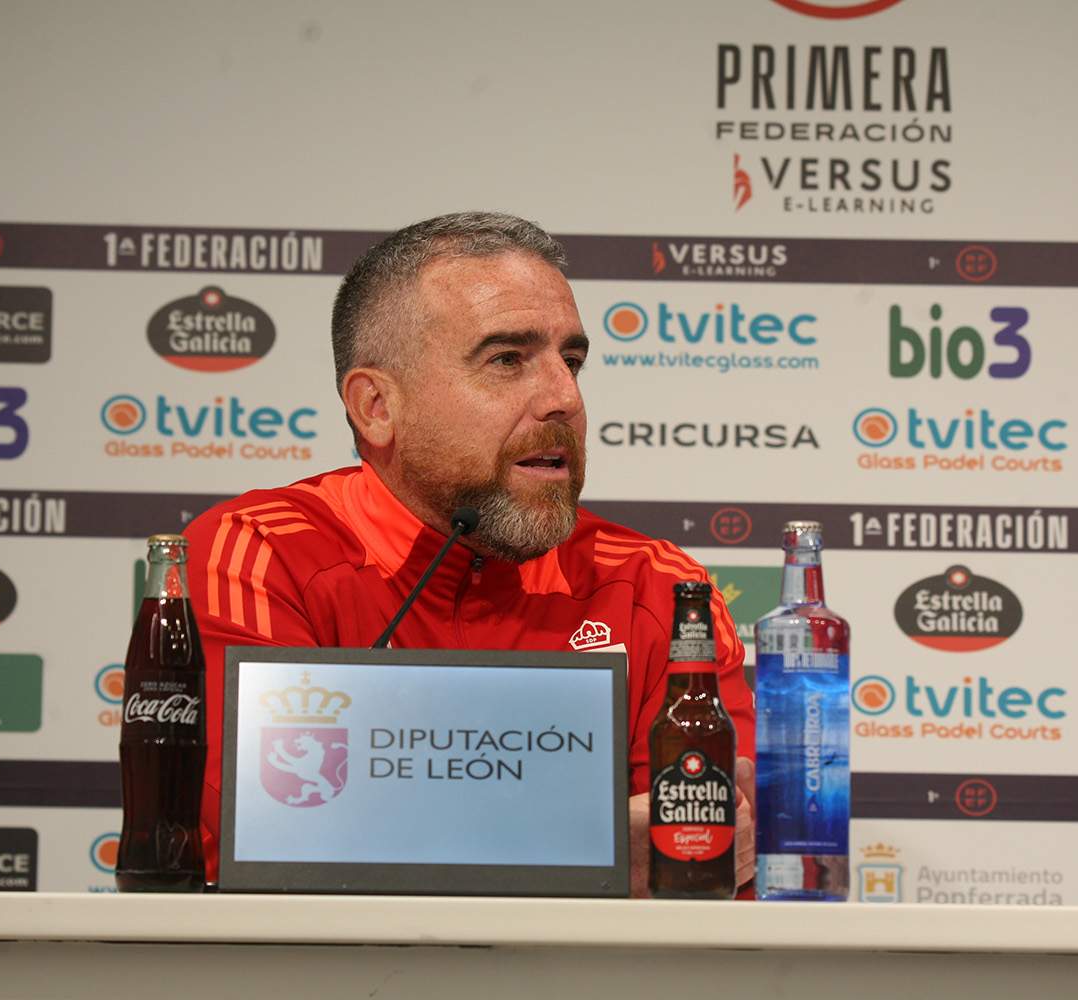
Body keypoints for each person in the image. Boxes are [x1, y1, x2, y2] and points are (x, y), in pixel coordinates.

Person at [183, 211, 756, 894]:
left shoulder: (658, 587)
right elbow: (262, 847)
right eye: (508, 360)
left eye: (571, 362)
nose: (565, 398)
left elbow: (711, 863)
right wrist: (598, 849)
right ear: (375, 407)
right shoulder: (263, 550)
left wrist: (390, 834)